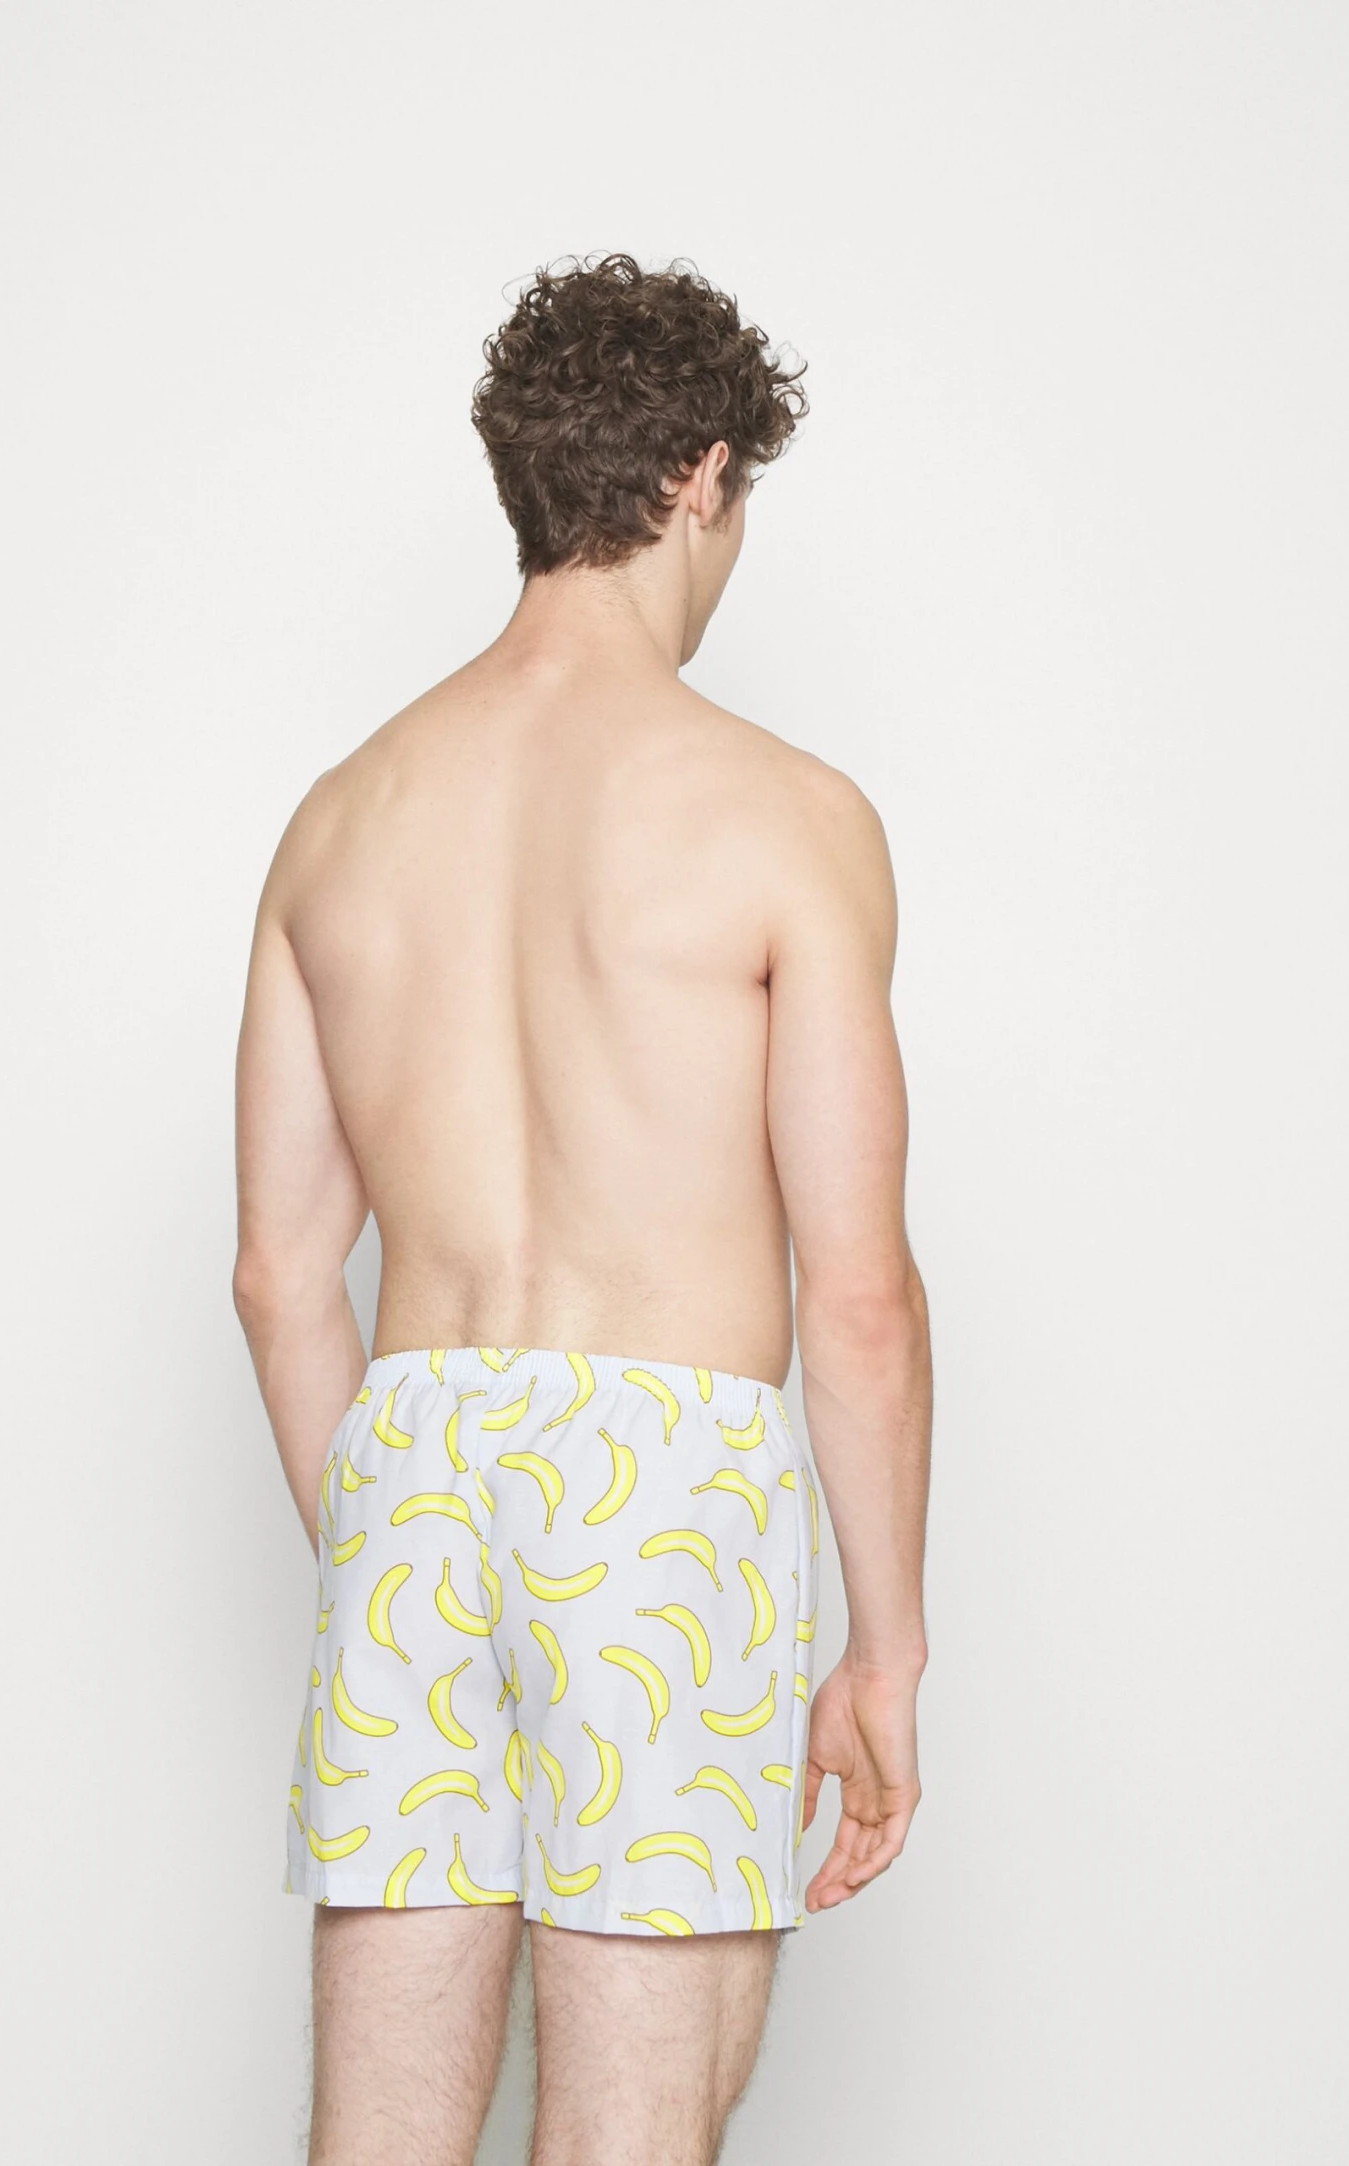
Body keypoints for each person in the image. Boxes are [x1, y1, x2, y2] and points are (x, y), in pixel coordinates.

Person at [233, 253, 932, 2166]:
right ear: (702, 478)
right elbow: (857, 1294)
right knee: (634, 2131)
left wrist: (385, 1549)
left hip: (408, 1459)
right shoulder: (785, 814)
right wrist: (884, 1650)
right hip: (664, 1467)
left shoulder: (340, 817)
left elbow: (282, 1274)